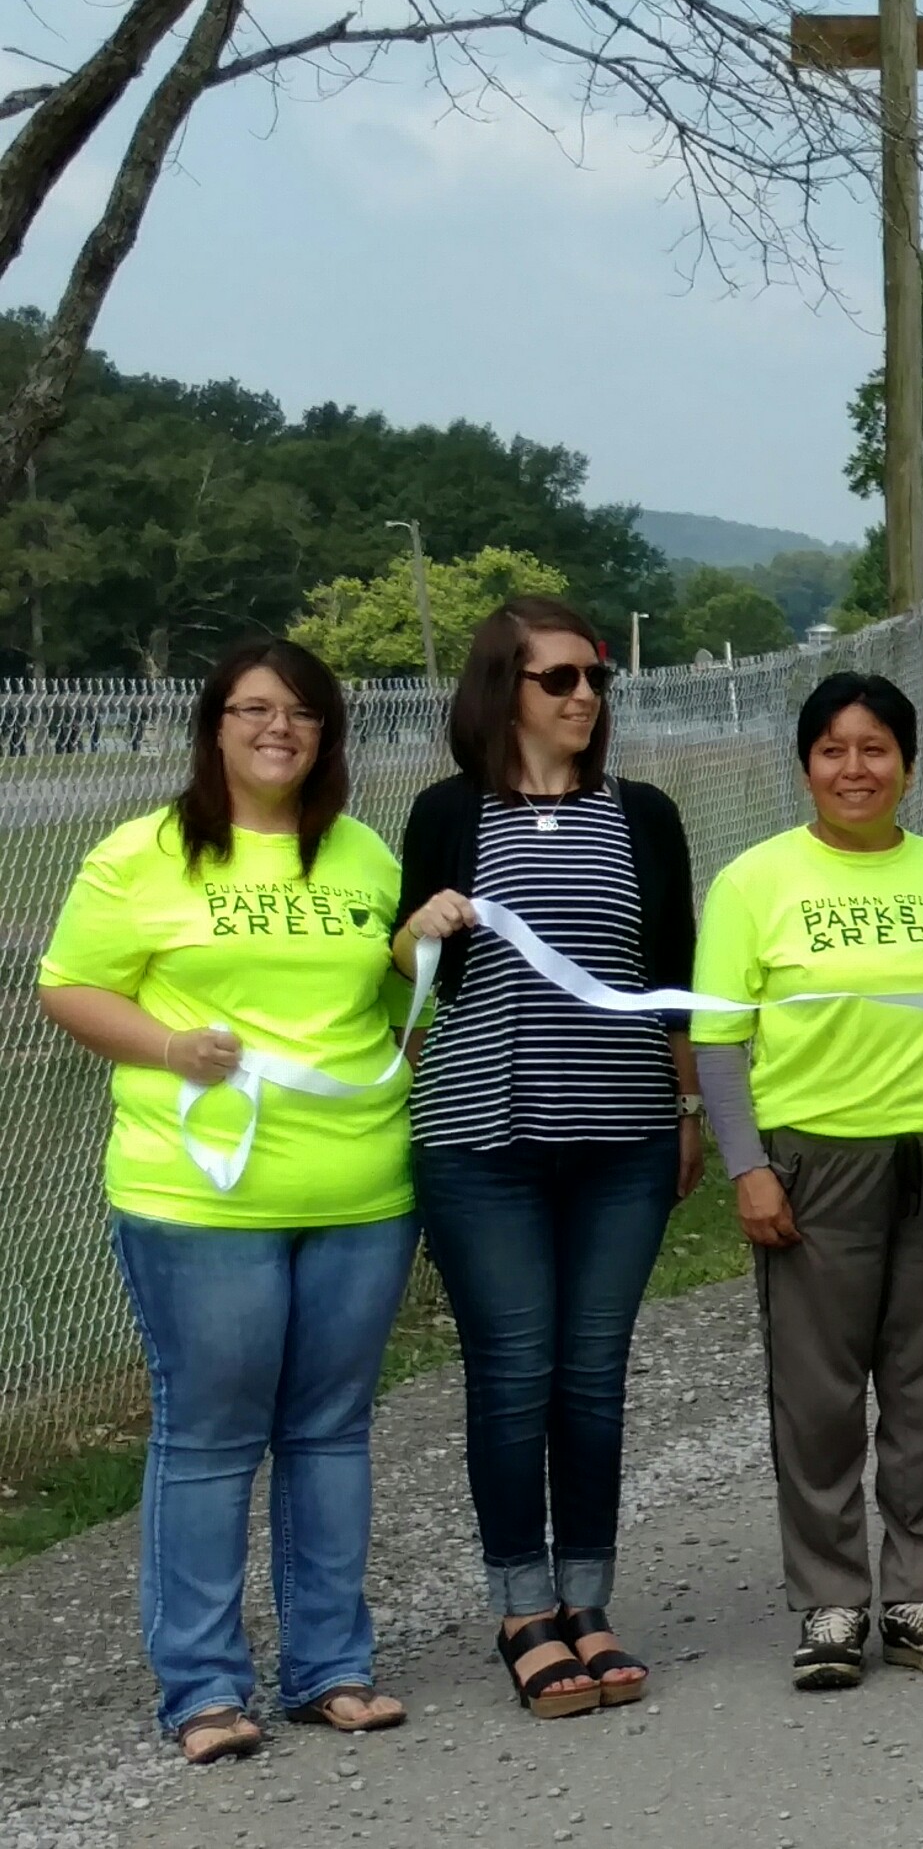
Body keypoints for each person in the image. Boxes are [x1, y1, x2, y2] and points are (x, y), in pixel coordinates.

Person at [39, 638, 416, 1762]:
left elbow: (400, 1005)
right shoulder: (142, 854)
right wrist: (167, 1044)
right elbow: (68, 983)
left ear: (327, 734)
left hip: (359, 1187)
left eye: (302, 711)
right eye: (254, 708)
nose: (277, 728)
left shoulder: (357, 853)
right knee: (209, 1436)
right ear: (215, 724)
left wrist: (422, 950)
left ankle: (331, 1666)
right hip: (199, 1201)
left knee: (330, 1432)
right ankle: (203, 1686)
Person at [393, 599, 702, 1714]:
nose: (585, 698)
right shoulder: (446, 813)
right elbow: (405, 973)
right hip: (483, 1144)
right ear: (501, 690)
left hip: (620, 1140)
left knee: (592, 1380)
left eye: (595, 679)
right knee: (513, 1377)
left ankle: (588, 1599)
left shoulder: (644, 816)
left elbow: (673, 977)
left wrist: (687, 1114)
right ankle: (521, 1609)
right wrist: (414, 930)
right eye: (558, 679)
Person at [691, 673, 923, 1692]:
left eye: (875, 748)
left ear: (909, 764)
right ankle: (829, 1597)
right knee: (819, 1393)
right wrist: (749, 1167)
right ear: (804, 764)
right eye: (832, 749)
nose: (854, 768)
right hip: (812, 1161)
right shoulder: (753, 880)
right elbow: (719, 1040)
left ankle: (918, 1589)